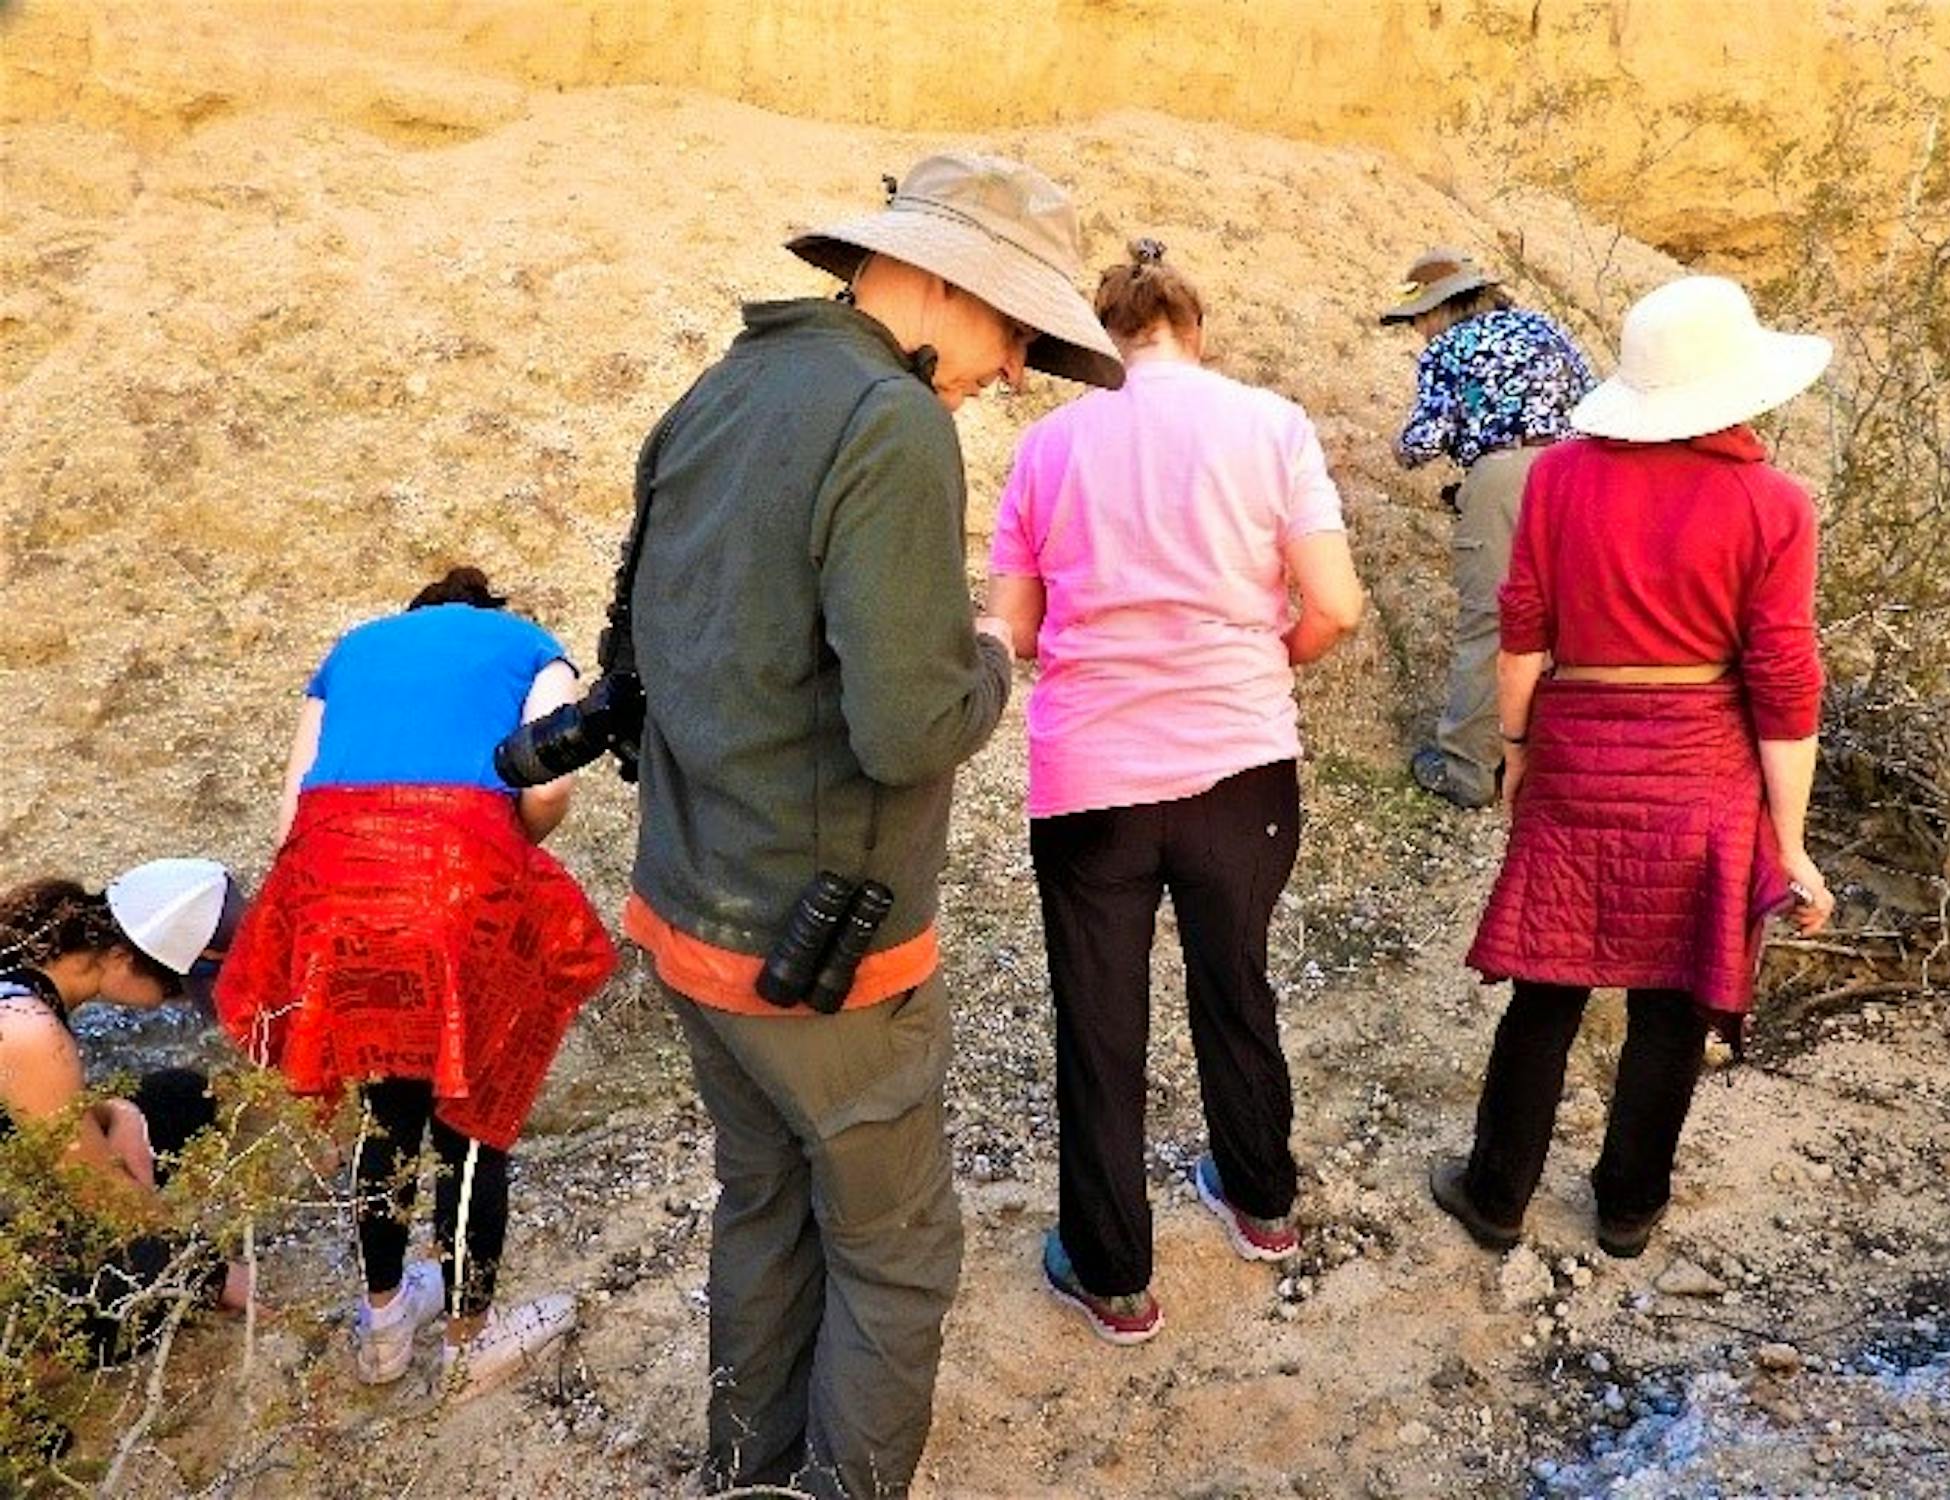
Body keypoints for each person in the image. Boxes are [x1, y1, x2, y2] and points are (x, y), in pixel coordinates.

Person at [619, 154, 1122, 1498]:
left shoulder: (720, 389)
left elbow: (670, 649)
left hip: (687, 902)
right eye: (1017, 330)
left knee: (763, 1201)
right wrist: (991, 662)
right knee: (898, 1253)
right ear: (945, 284)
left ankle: (744, 1474)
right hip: (825, 947)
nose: (1013, 370)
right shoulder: (890, 420)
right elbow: (903, 725)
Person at [985, 239, 1366, 1344]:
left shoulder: (1048, 445)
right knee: (1232, 980)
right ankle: (1259, 1203)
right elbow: (1333, 604)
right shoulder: (1270, 424)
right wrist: (1258, 662)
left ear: (1106, 342)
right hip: (1238, 762)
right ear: (1194, 333)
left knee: (1098, 1023)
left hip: (1090, 776)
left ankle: (1112, 1276)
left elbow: (1006, 629)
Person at [1430, 275, 1838, 1260]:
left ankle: (1494, 1196)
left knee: (1547, 980)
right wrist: (1788, 844)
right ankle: (1625, 1207)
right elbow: (1782, 684)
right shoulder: (1773, 504)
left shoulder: (1559, 477)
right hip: (1703, 765)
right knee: (1672, 994)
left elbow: (1520, 629)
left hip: (1575, 747)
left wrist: (1516, 748)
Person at [215, 565, 616, 1398]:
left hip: (336, 882)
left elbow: (292, 815)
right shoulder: (532, 646)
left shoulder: (352, 650)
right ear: (486, 609)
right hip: (455, 872)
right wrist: (501, 846)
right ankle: (471, 1342)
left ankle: (387, 1325)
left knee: (385, 1104)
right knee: (471, 1106)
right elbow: (551, 786)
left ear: (415, 616)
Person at [0, 860, 252, 1361]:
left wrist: (116, 1115)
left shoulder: (19, 958)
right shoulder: (28, 1029)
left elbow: (21, 1108)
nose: (169, 1003)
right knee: (129, 1301)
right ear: (117, 957)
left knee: (179, 1098)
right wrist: (210, 1271)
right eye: (172, 987)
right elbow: (100, 1197)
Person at [1381, 247, 1594, 809]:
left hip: (1505, 477)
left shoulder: (1450, 347)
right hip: (1583, 475)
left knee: (1493, 626)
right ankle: (1562, 765)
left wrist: (1397, 449)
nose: (1421, 332)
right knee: (1569, 624)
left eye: (1420, 319)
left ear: (1442, 308)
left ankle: (1469, 772)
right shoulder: (1548, 328)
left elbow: (1424, 440)